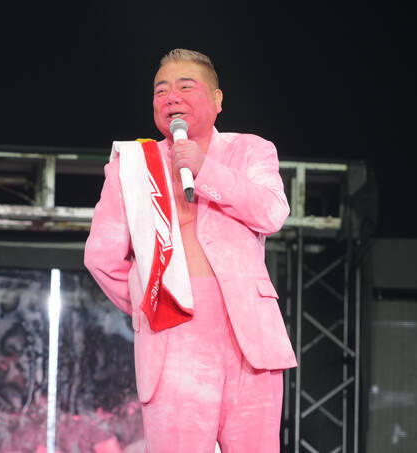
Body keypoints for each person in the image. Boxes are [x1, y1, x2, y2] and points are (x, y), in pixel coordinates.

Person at [84, 48, 297, 453]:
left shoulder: (250, 150)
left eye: (185, 87)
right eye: (160, 90)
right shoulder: (133, 165)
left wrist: (205, 169)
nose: (171, 98)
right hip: (174, 336)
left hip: (250, 338)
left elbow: (272, 212)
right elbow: (101, 256)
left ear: (217, 100)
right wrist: (151, 302)